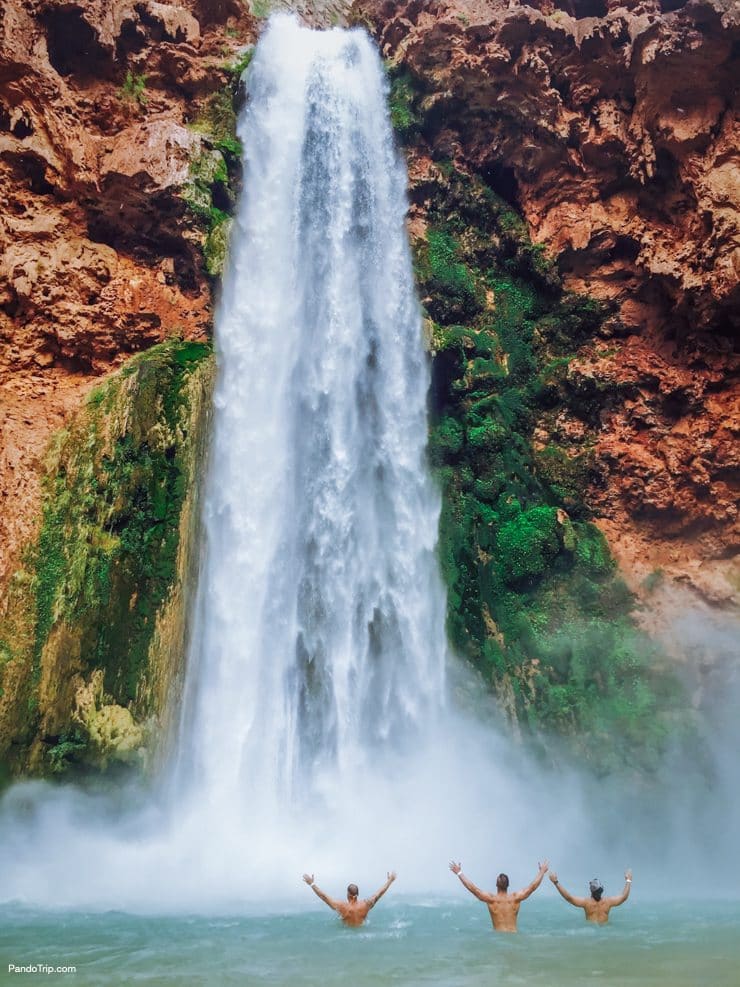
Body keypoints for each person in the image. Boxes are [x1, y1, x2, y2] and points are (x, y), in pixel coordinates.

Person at [449, 859, 549, 932]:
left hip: (499, 939)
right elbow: (532, 887)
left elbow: (473, 889)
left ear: (496, 884)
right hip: (514, 937)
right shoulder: (515, 898)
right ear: (508, 885)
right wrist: (541, 872)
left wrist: (459, 873)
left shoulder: (491, 900)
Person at [302, 871, 396, 926]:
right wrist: (390, 881)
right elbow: (379, 893)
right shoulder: (367, 904)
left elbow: (323, 897)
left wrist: (311, 884)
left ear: (349, 894)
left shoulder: (341, 906)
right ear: (358, 894)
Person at [549, 868, 632, 923]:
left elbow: (568, 898)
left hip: (590, 934)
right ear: (602, 890)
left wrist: (556, 882)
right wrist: (628, 880)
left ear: (591, 891)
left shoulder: (586, 903)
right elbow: (624, 897)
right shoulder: (608, 902)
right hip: (605, 933)